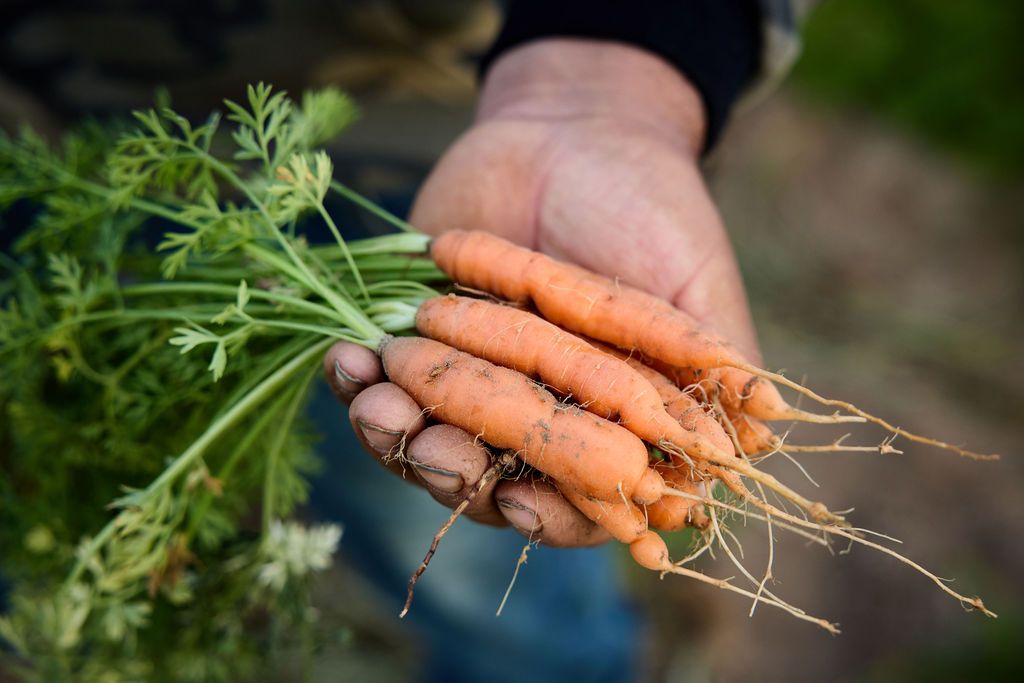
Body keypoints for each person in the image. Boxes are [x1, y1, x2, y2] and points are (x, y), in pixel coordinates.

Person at [313, 3, 805, 681]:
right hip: (142, 101)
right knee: (364, 452)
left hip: (434, 109)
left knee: (482, 570)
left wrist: (608, 86)